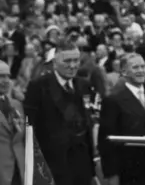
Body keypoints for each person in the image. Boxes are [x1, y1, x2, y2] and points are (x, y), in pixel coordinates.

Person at [24, 40, 95, 185]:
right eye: (67, 60)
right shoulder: (38, 86)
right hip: (52, 165)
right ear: (55, 63)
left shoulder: (84, 85)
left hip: (82, 165)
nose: (73, 65)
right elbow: (30, 128)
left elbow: (87, 127)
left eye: (76, 60)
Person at [98, 53, 145, 185]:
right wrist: (112, 175)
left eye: (143, 66)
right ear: (124, 72)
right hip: (129, 171)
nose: (141, 71)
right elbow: (106, 142)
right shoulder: (113, 100)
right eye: (135, 67)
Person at [0, 60, 25, 185]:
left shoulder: (17, 105)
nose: (5, 80)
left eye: (8, 76)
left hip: (18, 170)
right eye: (1, 76)